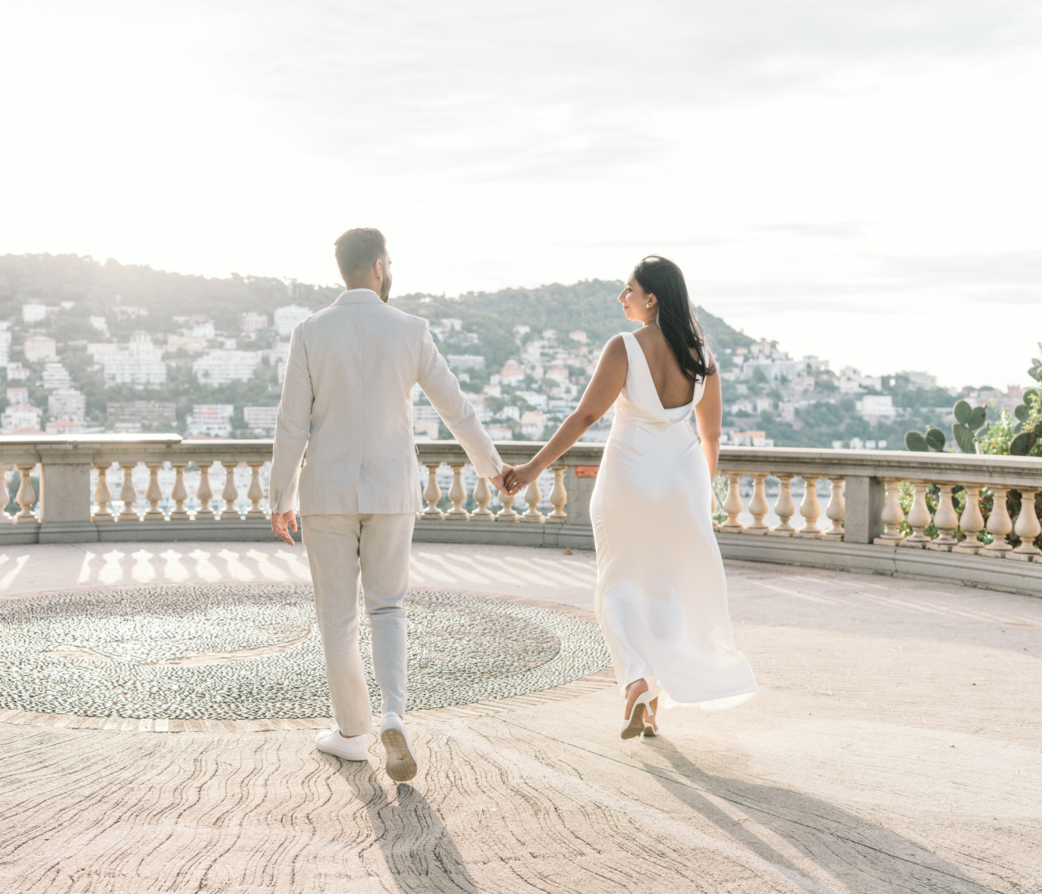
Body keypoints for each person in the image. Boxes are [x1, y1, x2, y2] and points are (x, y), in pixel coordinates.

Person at [269, 228, 513, 782]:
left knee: (337, 616)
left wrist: (280, 496)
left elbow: (292, 423)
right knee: (388, 608)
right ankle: (394, 715)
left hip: (326, 492)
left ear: (344, 270)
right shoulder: (410, 330)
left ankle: (352, 733)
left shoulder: (310, 332)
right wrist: (493, 468)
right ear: (379, 266)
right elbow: (457, 408)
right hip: (391, 491)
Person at [502, 255, 757, 739]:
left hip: (629, 479)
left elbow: (584, 417)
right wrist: (702, 494)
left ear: (652, 297)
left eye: (629, 290)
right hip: (681, 483)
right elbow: (713, 434)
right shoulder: (702, 356)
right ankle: (654, 694)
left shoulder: (623, 347)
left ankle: (637, 678)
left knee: (618, 586)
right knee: (665, 590)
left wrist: (533, 469)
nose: (622, 298)